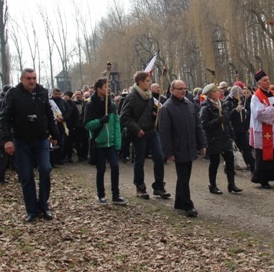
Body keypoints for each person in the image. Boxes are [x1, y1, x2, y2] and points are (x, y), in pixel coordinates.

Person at [0, 69, 59, 223]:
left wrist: (55, 135)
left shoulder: (42, 92)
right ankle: (31, 210)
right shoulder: (13, 94)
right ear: (22, 79)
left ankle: (43, 205)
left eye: (34, 78)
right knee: (26, 176)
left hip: (41, 139)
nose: (32, 81)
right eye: (28, 79)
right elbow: (4, 118)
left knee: (46, 169)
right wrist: (7, 139)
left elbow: (49, 115)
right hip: (21, 140)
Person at [158, 80, 207, 217]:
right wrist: (168, 152)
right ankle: (188, 205)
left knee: (185, 176)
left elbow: (198, 126)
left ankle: (179, 201)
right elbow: (164, 132)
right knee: (184, 177)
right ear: (172, 90)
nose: (183, 91)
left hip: (189, 146)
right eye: (179, 88)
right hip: (178, 147)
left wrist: (202, 144)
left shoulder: (189, 105)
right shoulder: (167, 108)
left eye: (184, 88)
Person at [120, 71, 170, 200]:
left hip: (151, 131)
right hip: (139, 133)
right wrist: (136, 129)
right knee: (139, 160)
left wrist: (154, 113)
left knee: (159, 157)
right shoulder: (131, 97)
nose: (150, 83)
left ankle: (159, 186)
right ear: (140, 82)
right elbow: (124, 117)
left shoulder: (148, 96)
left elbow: (149, 112)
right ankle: (140, 187)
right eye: (148, 81)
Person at [85, 78, 127, 205]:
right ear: (98, 89)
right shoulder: (90, 105)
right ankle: (101, 195)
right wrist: (100, 121)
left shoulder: (112, 105)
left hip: (111, 143)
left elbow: (116, 125)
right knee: (101, 169)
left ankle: (116, 195)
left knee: (115, 166)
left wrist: (118, 143)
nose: (107, 89)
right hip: (99, 143)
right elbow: (87, 125)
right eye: (105, 87)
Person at [200, 83, 242, 194]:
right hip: (213, 139)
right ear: (210, 95)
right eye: (215, 91)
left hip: (225, 137)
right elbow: (205, 125)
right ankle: (212, 185)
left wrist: (232, 114)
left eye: (217, 91)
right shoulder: (206, 107)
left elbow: (227, 120)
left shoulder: (223, 104)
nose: (218, 93)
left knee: (229, 160)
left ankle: (231, 184)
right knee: (214, 162)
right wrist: (219, 120)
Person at [224, 85, 255, 172]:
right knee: (233, 151)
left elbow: (244, 117)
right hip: (233, 130)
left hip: (242, 130)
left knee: (247, 148)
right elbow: (227, 117)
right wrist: (235, 111)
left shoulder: (241, 101)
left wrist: (246, 126)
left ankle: (254, 168)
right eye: (240, 93)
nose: (242, 95)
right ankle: (229, 168)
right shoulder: (227, 103)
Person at [0, 85, 12, 183]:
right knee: (3, 156)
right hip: (0, 131)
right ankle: (0, 177)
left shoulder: (0, 101)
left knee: (5, 156)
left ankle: (1, 176)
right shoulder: (2, 102)